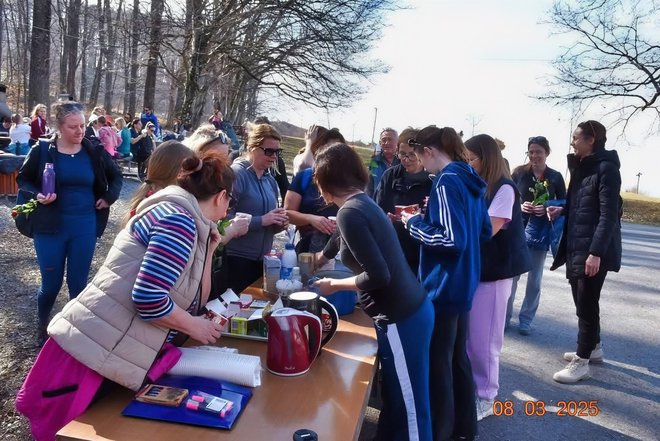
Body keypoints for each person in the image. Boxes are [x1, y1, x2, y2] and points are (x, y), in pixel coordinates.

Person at [16, 149, 234, 440]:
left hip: (108, 348)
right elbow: (149, 299)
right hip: (93, 353)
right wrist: (195, 326)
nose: (230, 207)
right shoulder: (179, 222)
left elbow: (196, 296)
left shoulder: (187, 219)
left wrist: (210, 244)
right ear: (221, 196)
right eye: (231, 199)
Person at [313, 142, 434, 441]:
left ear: (325, 182)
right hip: (408, 312)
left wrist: (334, 285)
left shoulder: (349, 213)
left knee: (411, 407)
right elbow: (340, 240)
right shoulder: (360, 203)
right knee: (396, 397)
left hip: (401, 317)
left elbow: (379, 275)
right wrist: (318, 261)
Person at [401, 126, 491, 441]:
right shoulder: (470, 178)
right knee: (457, 360)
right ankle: (465, 429)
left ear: (429, 151)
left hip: (443, 286)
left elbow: (451, 238)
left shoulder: (445, 181)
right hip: (465, 283)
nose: (419, 164)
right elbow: (484, 231)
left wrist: (413, 222)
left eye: (417, 156)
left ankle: (441, 432)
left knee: (438, 365)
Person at [16, 101, 123, 344]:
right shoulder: (42, 150)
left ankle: (75, 335)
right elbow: (23, 179)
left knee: (78, 285)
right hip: (49, 227)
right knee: (51, 285)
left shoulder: (93, 149)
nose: (80, 131)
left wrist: (109, 197)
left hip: (84, 226)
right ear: (60, 127)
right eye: (73, 127)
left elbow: (115, 176)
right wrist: (38, 195)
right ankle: (42, 328)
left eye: (83, 125)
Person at [463, 134, 531, 421]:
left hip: (496, 274)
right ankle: (475, 390)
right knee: (471, 339)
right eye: (464, 159)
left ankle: (486, 396)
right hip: (481, 272)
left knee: (485, 340)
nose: (467, 164)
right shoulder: (480, 185)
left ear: (486, 158)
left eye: (471, 159)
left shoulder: (505, 189)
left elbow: (486, 230)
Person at [548, 120, 622, 384]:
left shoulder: (607, 169)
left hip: (592, 250)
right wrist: (563, 210)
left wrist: (595, 253)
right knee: (582, 302)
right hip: (576, 245)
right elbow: (582, 203)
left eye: (576, 137)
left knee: (587, 305)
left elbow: (608, 215)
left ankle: (582, 362)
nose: (572, 141)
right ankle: (594, 348)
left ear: (591, 139)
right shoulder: (582, 167)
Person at [507, 136, 566, 335]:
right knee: (512, 276)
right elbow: (506, 196)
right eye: (531, 151)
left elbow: (564, 204)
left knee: (535, 279)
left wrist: (548, 207)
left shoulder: (556, 177)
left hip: (541, 233)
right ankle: (505, 317)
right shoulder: (518, 173)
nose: (534, 156)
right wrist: (520, 205)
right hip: (518, 230)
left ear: (546, 153)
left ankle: (526, 320)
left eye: (538, 152)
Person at [219, 123, 289, 294]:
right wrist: (262, 220)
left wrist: (278, 224)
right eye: (269, 151)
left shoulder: (270, 180)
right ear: (252, 147)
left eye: (277, 152)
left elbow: (267, 222)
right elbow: (222, 220)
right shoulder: (237, 175)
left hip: (262, 261)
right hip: (237, 259)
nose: (274, 157)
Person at [375, 127, 432, 273]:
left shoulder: (433, 180)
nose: (406, 160)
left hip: (420, 249)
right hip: (393, 244)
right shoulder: (391, 176)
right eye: (402, 154)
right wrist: (385, 217)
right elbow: (377, 207)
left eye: (411, 155)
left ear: (422, 153)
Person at [366, 127, 400, 197]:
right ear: (380, 143)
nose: (387, 143)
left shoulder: (403, 162)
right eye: (384, 140)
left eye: (390, 139)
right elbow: (370, 187)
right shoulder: (374, 162)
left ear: (397, 142)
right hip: (378, 204)